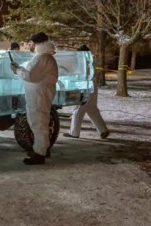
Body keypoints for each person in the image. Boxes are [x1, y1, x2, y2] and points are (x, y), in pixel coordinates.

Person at [10, 32, 58, 165]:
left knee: (38, 123)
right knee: (39, 122)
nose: (30, 45)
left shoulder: (42, 58)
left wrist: (17, 70)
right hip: (39, 94)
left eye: (32, 43)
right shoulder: (44, 57)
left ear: (38, 44)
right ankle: (42, 149)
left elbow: (30, 76)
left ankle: (39, 154)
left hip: (39, 95)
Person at [64, 45, 110, 139]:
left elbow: (79, 75)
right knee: (92, 109)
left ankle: (74, 133)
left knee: (78, 109)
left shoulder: (83, 62)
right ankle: (103, 130)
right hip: (92, 86)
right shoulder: (90, 61)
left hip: (86, 87)